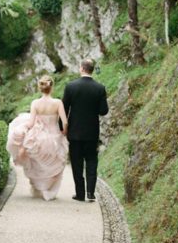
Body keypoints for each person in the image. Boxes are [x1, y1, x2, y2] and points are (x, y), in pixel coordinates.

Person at [6, 75, 69, 201]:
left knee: (39, 165)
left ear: (40, 88)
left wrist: (22, 129)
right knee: (54, 164)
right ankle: (49, 191)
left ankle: (41, 189)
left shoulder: (35, 103)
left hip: (40, 137)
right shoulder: (57, 103)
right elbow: (65, 121)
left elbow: (30, 123)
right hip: (54, 137)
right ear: (51, 87)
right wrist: (64, 132)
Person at [62, 59, 109, 202]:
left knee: (76, 163)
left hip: (74, 132)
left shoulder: (70, 86)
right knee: (91, 161)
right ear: (92, 70)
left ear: (82, 68)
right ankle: (91, 193)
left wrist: (62, 128)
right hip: (92, 132)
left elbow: (64, 109)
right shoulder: (100, 88)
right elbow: (103, 111)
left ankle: (80, 193)